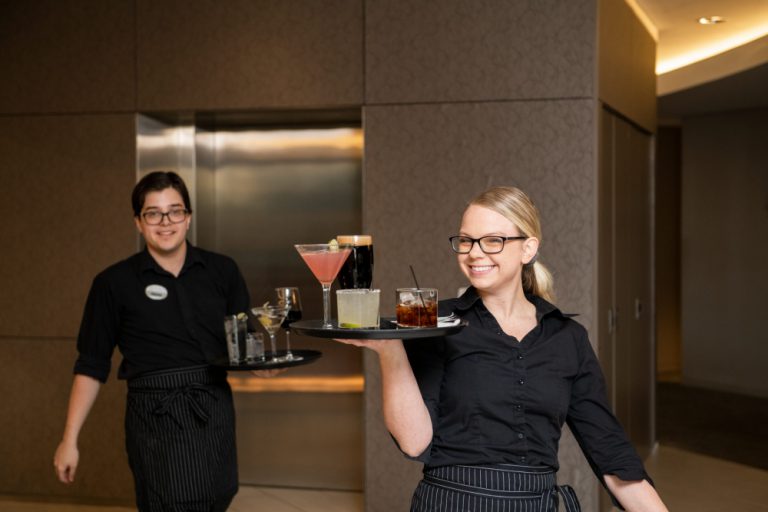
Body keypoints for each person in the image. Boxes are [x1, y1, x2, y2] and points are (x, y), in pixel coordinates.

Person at [337, 186, 668, 511]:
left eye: (493, 241)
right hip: (450, 503)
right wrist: (391, 350)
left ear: (528, 249)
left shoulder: (568, 338)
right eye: (466, 240)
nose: (474, 253)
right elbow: (414, 442)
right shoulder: (433, 324)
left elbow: (610, 452)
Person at [54, 171, 277, 511]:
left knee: (218, 496)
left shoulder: (222, 271)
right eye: (153, 213)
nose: (165, 221)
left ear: (187, 218)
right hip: (154, 414)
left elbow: (243, 343)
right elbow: (91, 364)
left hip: (212, 406)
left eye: (175, 211)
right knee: (167, 502)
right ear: (138, 222)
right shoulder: (112, 283)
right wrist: (69, 439)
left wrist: (265, 368)